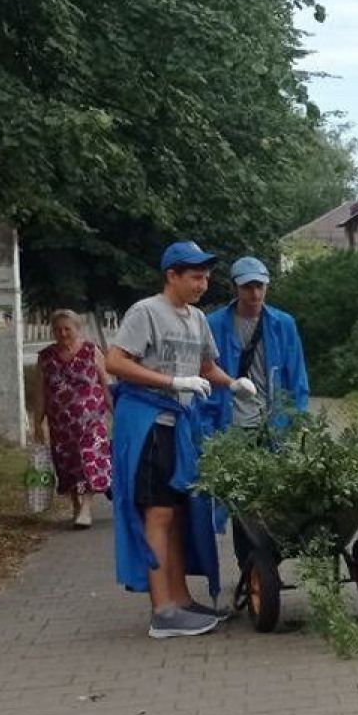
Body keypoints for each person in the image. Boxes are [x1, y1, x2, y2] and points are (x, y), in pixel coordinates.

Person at [105, 241, 258, 639]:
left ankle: (182, 599)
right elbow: (115, 361)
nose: (202, 284)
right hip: (149, 423)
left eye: (206, 277)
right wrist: (171, 381)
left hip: (181, 427)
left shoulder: (196, 319)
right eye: (194, 276)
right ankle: (163, 611)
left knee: (176, 515)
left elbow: (206, 366)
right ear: (171, 275)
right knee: (157, 514)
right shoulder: (147, 312)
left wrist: (233, 382)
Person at [202, 255, 309, 569]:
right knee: (242, 500)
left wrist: (298, 419)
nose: (255, 294)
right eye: (248, 286)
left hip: (272, 423)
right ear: (236, 287)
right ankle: (249, 566)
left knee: (273, 494)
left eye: (260, 286)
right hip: (231, 423)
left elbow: (297, 375)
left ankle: (267, 565)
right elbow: (205, 371)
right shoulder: (214, 325)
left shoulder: (282, 324)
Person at [31, 309, 113, 529]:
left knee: (90, 460)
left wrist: (116, 411)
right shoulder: (45, 357)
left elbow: (106, 383)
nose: (63, 333)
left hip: (91, 420)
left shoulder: (90, 350)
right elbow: (40, 392)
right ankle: (76, 504)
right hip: (61, 424)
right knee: (68, 465)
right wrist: (37, 423)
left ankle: (86, 507)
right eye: (57, 329)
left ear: (77, 329)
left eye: (67, 328)